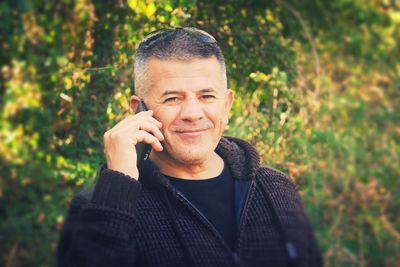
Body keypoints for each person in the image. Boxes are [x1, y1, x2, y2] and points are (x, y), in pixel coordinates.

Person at [57, 27, 322, 267]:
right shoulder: (100, 207)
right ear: (139, 110)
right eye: (172, 98)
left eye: (207, 96)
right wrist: (117, 187)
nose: (193, 113)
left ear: (227, 105)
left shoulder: (278, 190)